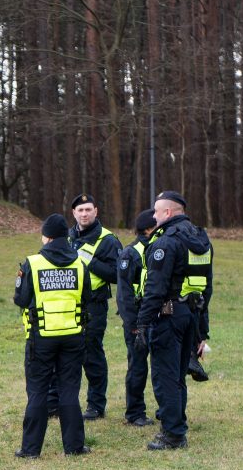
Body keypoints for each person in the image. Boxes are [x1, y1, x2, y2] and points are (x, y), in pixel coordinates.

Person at [136, 191, 213, 450]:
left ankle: (173, 434)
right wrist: (202, 328)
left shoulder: (166, 243)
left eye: (157, 212)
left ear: (168, 213)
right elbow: (207, 288)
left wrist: (143, 324)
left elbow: (155, 289)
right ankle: (177, 423)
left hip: (168, 316)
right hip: (190, 315)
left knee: (165, 377)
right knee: (178, 375)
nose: (154, 216)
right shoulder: (201, 240)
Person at [14, 214, 92, 458]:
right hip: (73, 335)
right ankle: (74, 446)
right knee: (69, 390)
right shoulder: (79, 263)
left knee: (37, 390)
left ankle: (30, 449)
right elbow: (87, 298)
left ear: (45, 237)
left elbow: (21, 299)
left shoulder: (32, 263)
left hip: (42, 336)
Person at [51, 193, 121, 420]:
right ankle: (58, 403)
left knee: (91, 355)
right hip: (67, 305)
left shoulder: (108, 240)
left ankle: (96, 405)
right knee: (64, 355)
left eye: (88, 210)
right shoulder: (68, 237)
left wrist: (90, 261)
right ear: (73, 213)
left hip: (94, 306)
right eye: (80, 211)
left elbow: (118, 275)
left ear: (96, 211)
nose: (84, 214)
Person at [116, 210, 157, 427]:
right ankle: (135, 412)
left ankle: (163, 409)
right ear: (148, 229)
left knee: (158, 367)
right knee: (138, 366)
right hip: (138, 321)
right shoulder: (130, 254)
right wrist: (133, 325)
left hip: (157, 317)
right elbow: (123, 294)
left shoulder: (159, 248)